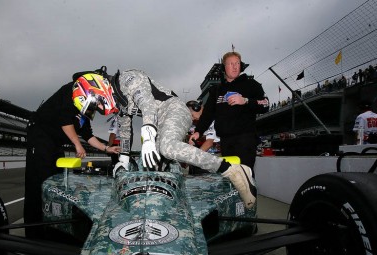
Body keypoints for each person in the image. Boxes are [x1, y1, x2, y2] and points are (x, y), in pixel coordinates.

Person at [105, 69, 256, 209]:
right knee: (153, 164)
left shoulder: (127, 78)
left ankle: (230, 169)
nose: (100, 108)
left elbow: (147, 104)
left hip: (174, 109)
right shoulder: (119, 103)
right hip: (160, 121)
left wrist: (149, 138)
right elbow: (125, 131)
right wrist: (123, 161)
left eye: (98, 103)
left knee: (167, 146)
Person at [24, 70, 121, 238]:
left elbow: (88, 136)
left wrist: (107, 149)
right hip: (40, 135)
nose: (98, 107)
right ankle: (34, 234)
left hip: (55, 143)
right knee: (38, 183)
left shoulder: (86, 109)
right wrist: (77, 145)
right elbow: (65, 121)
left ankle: (52, 227)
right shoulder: (70, 91)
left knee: (55, 181)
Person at [190, 51, 269, 170]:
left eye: (237, 63)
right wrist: (198, 131)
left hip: (245, 141)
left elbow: (265, 104)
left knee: (244, 178)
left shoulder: (251, 84)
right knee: (230, 179)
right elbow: (208, 114)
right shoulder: (216, 90)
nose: (235, 66)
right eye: (231, 63)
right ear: (224, 67)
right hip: (226, 142)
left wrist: (246, 100)